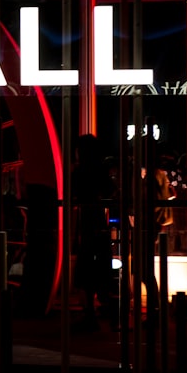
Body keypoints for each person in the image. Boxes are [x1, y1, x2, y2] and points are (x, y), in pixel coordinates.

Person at [70, 134, 117, 332]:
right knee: (100, 271)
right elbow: (110, 191)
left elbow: (72, 193)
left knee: (84, 271)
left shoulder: (79, 172)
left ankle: (90, 313)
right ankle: (105, 311)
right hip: (99, 226)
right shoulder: (101, 171)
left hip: (87, 226)